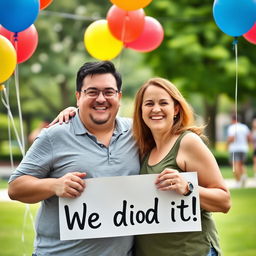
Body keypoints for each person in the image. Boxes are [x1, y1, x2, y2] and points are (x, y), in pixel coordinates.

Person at [57, 78, 231, 256]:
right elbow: (105, 124)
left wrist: (188, 188)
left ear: (176, 109)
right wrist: (76, 115)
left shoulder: (187, 142)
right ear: (141, 111)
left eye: (163, 103)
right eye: (149, 103)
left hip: (191, 251)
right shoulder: (141, 146)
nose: (156, 109)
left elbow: (224, 201)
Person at [8, 61, 140, 256]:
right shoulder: (54, 136)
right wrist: (54, 185)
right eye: (92, 92)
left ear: (119, 97)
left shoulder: (137, 132)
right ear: (79, 96)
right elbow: (15, 187)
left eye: (109, 92)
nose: (101, 99)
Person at [227, 114, 251, 188]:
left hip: (234, 149)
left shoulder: (232, 127)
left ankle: (238, 181)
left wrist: (227, 143)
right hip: (243, 148)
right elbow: (249, 137)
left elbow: (231, 138)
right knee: (241, 164)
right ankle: (244, 175)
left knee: (235, 165)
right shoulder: (244, 127)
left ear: (233, 120)